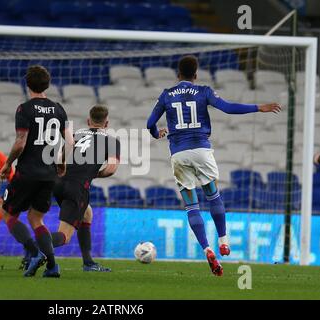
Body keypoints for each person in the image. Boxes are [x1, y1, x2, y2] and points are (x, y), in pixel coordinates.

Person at [147, 55, 281, 276]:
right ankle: (223, 240)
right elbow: (228, 108)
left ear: (178, 74)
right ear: (196, 75)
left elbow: (150, 123)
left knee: (192, 206)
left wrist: (156, 134)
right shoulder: (203, 91)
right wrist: (258, 107)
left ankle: (207, 249)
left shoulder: (166, 94)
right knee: (213, 195)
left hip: (179, 153)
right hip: (201, 150)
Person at [0, 65, 74, 278]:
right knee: (35, 218)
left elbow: (20, 143)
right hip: (49, 175)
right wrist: (62, 161)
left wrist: (7, 163)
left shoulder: (24, 109)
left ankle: (33, 251)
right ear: (47, 84)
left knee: (8, 213)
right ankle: (52, 267)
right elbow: (70, 142)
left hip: (27, 172)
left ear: (27, 84)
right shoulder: (59, 109)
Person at [50, 105, 120, 272]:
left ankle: (88, 262)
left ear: (89, 121)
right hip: (77, 187)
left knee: (87, 214)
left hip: (58, 183)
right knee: (65, 236)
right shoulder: (111, 141)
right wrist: (93, 174)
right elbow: (111, 169)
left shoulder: (75, 135)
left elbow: (59, 159)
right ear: (106, 123)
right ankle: (35, 247)